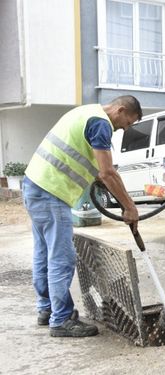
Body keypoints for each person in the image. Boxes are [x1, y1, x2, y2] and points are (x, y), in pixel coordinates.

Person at [22, 95, 142, 337]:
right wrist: (129, 207)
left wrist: (103, 180)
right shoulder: (101, 124)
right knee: (61, 259)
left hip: (34, 185)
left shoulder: (86, 112)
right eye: (128, 123)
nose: (124, 129)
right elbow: (107, 173)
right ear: (120, 110)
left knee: (43, 254)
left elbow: (95, 168)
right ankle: (62, 319)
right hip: (52, 193)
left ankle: (47, 309)